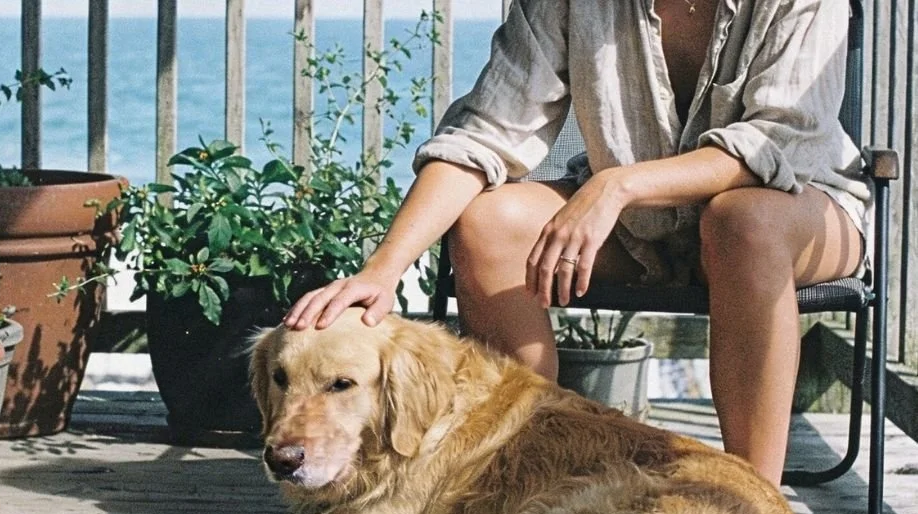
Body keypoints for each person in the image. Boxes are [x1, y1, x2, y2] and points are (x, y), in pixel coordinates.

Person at [283, 0, 870, 485]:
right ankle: (526, 476)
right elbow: (485, 132)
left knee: (740, 222)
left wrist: (618, 184)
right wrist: (383, 270)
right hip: (639, 230)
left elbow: (775, 141)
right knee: (490, 221)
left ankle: (754, 508)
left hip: (798, 216)